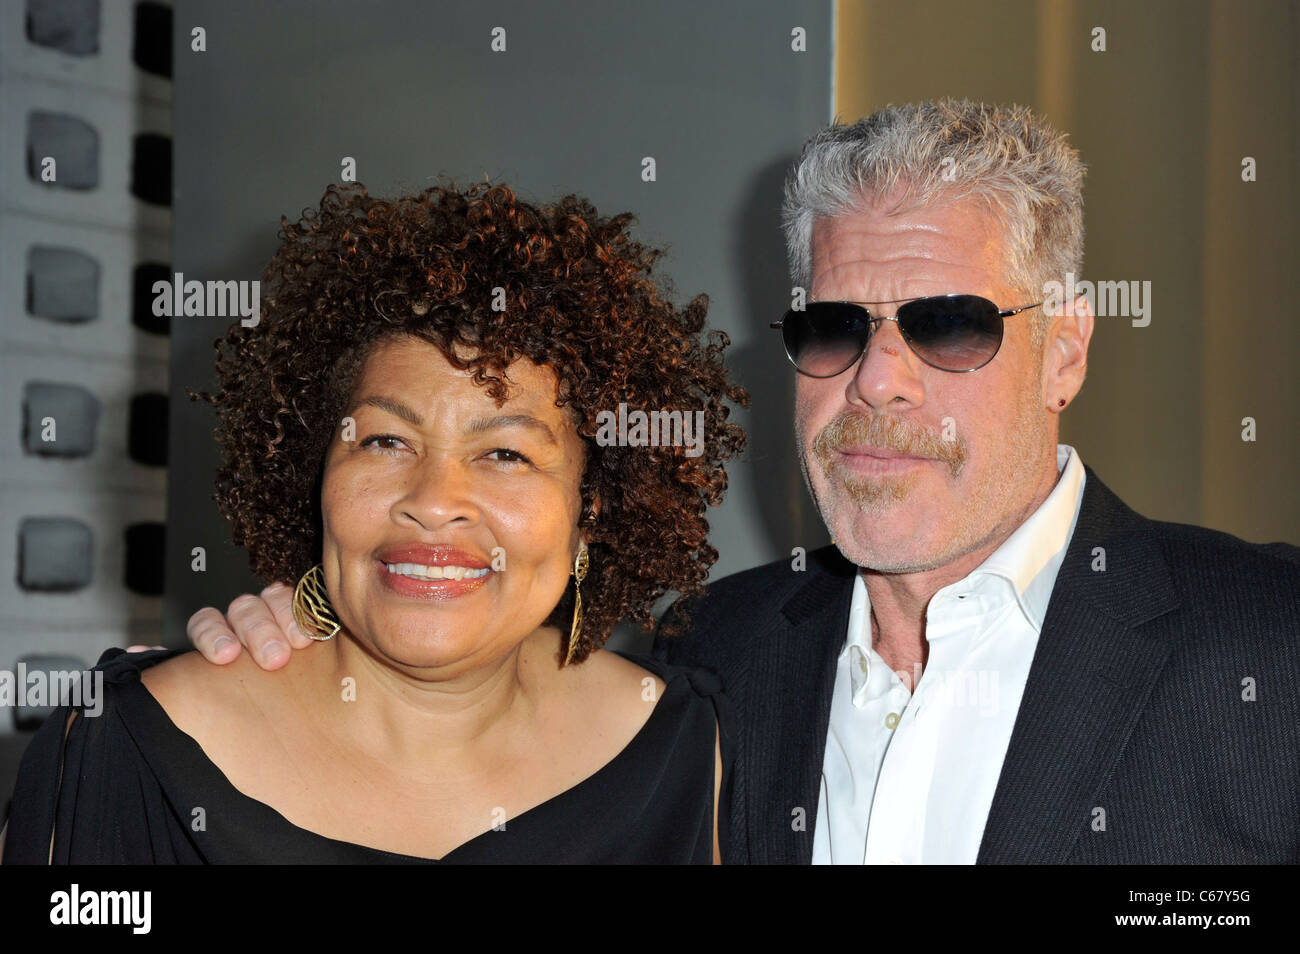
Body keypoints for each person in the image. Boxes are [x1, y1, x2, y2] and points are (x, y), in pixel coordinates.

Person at [135, 100, 1300, 864]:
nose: (878, 379)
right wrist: (317, 629)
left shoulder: (1268, 652)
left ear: (1065, 351)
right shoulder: (712, 665)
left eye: (947, 326)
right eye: (835, 326)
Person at [1, 181, 747, 864]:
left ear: (592, 513)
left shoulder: (688, 754)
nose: (431, 497)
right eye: (386, 441)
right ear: (314, 471)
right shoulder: (130, 749)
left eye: (505, 454)